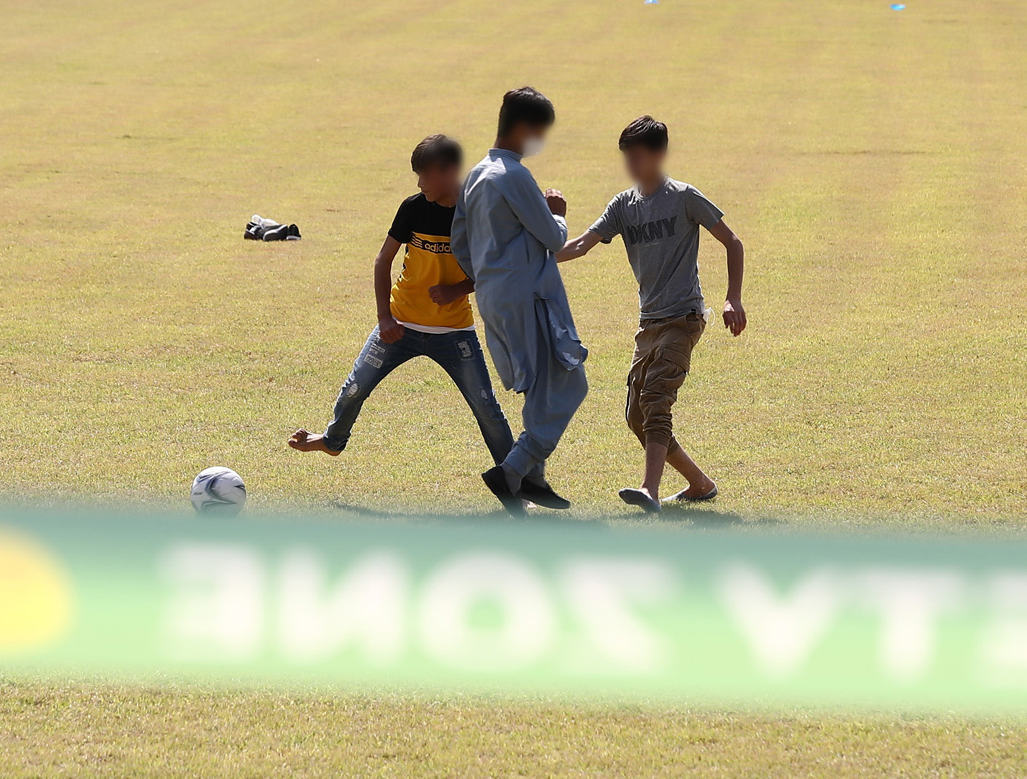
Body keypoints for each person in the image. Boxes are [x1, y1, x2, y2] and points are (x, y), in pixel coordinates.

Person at [287, 135, 516, 483]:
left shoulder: (476, 213)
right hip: (400, 325)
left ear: (450, 171)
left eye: (425, 175)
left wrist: (456, 289)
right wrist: (384, 317)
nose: (420, 183)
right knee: (354, 388)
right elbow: (383, 262)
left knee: (487, 408)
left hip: (454, 332)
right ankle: (332, 441)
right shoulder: (413, 207)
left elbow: (495, 270)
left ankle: (517, 481)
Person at [557, 115, 746, 513]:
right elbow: (580, 246)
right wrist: (534, 258)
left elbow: (732, 241)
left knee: (657, 401)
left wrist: (733, 298)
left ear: (659, 155)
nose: (631, 165)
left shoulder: (683, 197)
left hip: (684, 317)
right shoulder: (623, 206)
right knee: (636, 415)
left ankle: (650, 489)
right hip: (649, 323)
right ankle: (699, 483)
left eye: (638, 156)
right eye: (627, 157)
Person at [452, 88, 587, 516]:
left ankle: (535, 477)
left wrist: (488, 274)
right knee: (570, 382)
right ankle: (512, 470)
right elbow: (553, 236)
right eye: (540, 133)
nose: (540, 142)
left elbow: (459, 240)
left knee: (537, 385)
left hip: (493, 296)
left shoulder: (475, 175)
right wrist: (559, 211)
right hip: (528, 296)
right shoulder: (514, 175)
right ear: (524, 129)